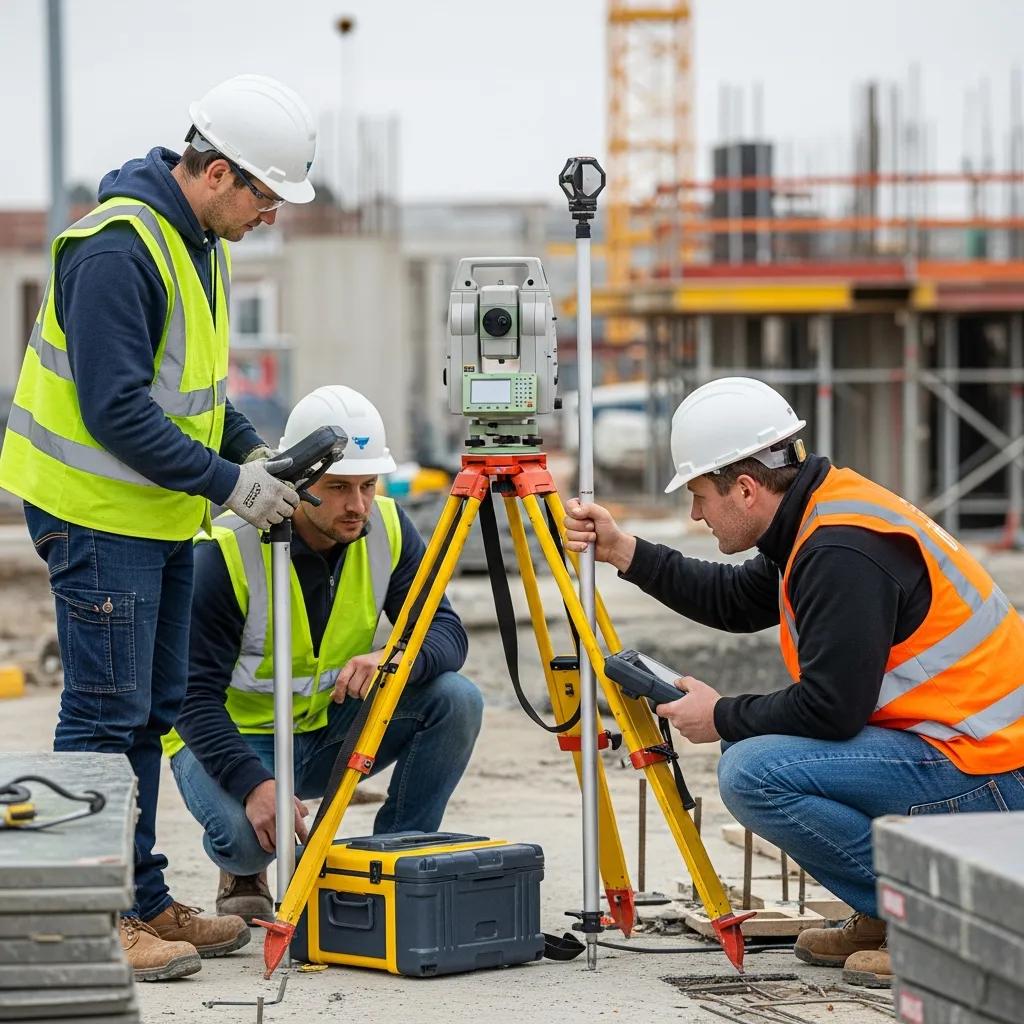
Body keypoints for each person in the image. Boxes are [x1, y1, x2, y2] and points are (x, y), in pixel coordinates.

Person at [0, 75, 318, 981]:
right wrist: (231, 487)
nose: (270, 216)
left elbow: (198, 396)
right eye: (264, 195)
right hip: (97, 516)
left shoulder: (196, 243)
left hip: (156, 515)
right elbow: (115, 413)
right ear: (218, 172)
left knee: (147, 711)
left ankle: (137, 901)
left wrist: (250, 452)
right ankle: (80, 919)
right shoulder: (117, 250)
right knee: (102, 715)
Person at [564, 376, 1024, 988]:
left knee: (753, 771)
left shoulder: (841, 551)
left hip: (991, 773)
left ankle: (935, 922)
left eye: (700, 495)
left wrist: (721, 714)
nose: (696, 513)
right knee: (757, 754)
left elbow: (833, 710)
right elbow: (737, 601)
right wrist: (626, 551)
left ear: (747, 489)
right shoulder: (817, 514)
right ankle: (886, 909)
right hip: (967, 751)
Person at [163, 385, 483, 923]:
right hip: (229, 740)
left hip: (325, 730)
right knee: (250, 838)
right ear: (296, 480)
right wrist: (254, 785)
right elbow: (189, 699)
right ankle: (242, 869)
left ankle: (396, 860)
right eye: (337, 488)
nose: (357, 505)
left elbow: (447, 632)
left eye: (367, 484)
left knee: (456, 698)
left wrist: (394, 658)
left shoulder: (388, 527)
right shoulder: (224, 552)